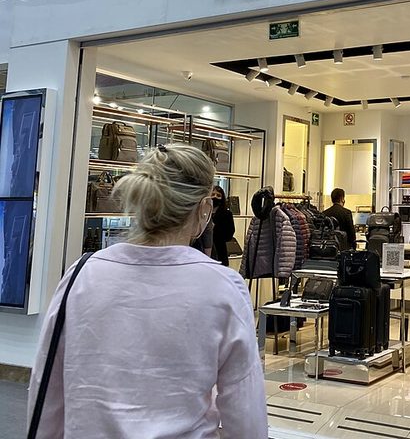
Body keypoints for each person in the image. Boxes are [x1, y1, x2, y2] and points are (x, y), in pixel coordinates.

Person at [27, 144, 268, 438]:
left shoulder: (81, 274)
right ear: (204, 207)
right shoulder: (223, 287)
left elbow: (47, 389)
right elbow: (245, 413)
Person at [210, 185, 235, 267]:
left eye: (218, 195)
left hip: (219, 250)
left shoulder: (227, 214)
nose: (215, 197)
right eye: (213, 194)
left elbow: (229, 234)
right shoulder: (203, 212)